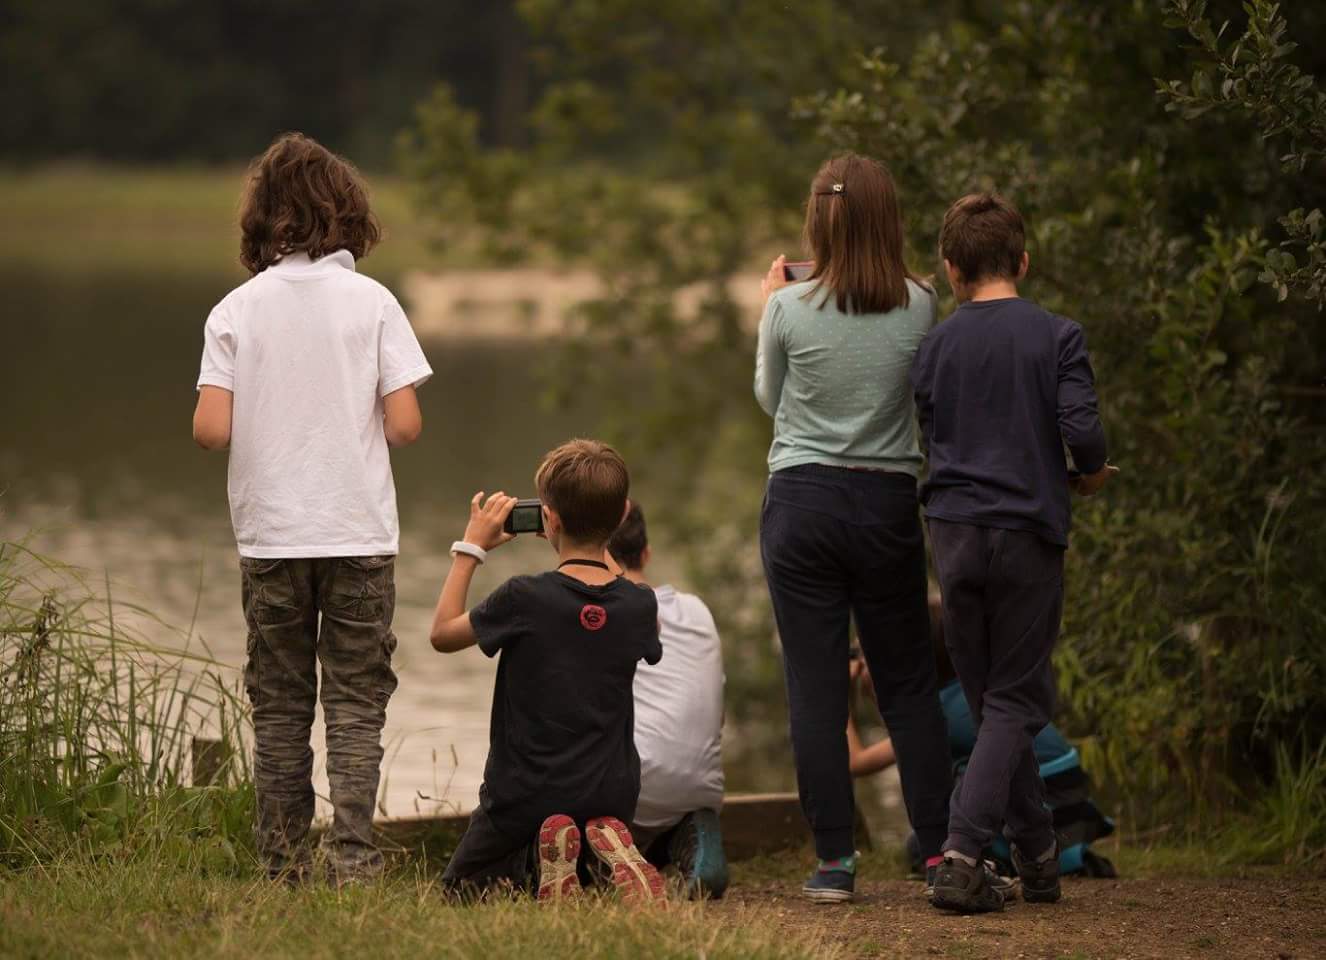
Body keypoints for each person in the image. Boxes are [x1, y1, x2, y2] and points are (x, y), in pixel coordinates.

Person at [192, 132, 433, 884]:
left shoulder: (235, 310)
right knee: (357, 702)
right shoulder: (374, 302)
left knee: (280, 705)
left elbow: (211, 430)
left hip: (271, 539)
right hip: (358, 534)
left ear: (262, 220)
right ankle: (355, 864)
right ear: (348, 214)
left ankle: (283, 866)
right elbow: (404, 426)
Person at [754, 153, 954, 904]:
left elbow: (771, 398)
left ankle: (835, 863)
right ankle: (938, 853)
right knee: (906, 685)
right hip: (885, 503)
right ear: (886, 220)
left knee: (815, 688)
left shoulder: (787, 307)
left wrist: (769, 305)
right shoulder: (921, 303)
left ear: (817, 222)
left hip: (801, 502)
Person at [910, 193, 1118, 914]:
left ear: (951, 268)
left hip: (954, 533)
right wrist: (1086, 475)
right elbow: (1084, 434)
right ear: (1023, 262)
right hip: (1027, 530)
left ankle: (1035, 855)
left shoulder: (934, 346)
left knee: (993, 698)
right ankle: (962, 851)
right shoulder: (1057, 335)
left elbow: (933, 432)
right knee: (1016, 698)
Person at [428, 439, 666, 904]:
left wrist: (470, 548)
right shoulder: (640, 604)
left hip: (525, 795)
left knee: (462, 891)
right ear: (621, 517)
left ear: (549, 518)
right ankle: (606, 853)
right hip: (610, 794)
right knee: (587, 872)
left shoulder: (524, 597)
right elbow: (634, 603)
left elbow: (441, 634)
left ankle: (543, 862)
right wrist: (596, 543)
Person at [846, 612, 1117, 886]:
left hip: (1045, 798)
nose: (861, 665)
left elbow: (854, 762)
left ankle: (996, 861)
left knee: (923, 846)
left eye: (865, 656)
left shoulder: (935, 716)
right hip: (1067, 795)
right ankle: (1047, 855)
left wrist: (842, 692)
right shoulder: (976, 696)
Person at [606, 503, 728, 899]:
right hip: (702, 787)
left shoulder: (598, 612)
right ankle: (688, 834)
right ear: (646, 553)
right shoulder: (697, 610)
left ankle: (615, 861)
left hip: (630, 793)